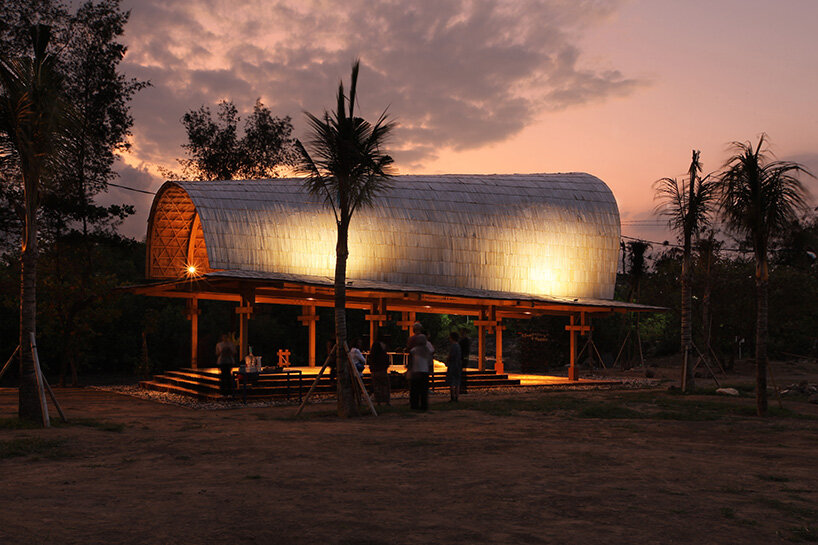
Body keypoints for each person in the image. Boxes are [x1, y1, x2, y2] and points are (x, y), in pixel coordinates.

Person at [406, 322, 433, 410]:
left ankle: (414, 405)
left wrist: (409, 369)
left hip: (416, 371)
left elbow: (411, 360)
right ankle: (424, 406)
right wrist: (430, 369)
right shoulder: (427, 350)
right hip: (424, 371)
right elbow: (430, 361)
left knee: (415, 390)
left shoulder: (414, 350)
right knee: (423, 391)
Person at [369, 330, 391, 405]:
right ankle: (386, 401)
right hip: (382, 369)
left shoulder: (374, 347)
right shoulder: (382, 349)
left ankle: (378, 401)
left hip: (374, 369)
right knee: (385, 386)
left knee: (377, 387)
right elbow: (385, 358)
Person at [446, 331, 463, 402]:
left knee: (452, 382)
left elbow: (451, 356)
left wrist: (448, 359)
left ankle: (452, 396)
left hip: (453, 365)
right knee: (457, 382)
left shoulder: (453, 346)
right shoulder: (458, 346)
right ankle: (457, 396)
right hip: (458, 365)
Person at [459, 327, 471, 394]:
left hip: (462, 358)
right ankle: (462, 388)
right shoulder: (465, 340)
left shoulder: (464, 340)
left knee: (462, 374)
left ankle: (462, 388)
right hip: (463, 358)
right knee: (462, 374)